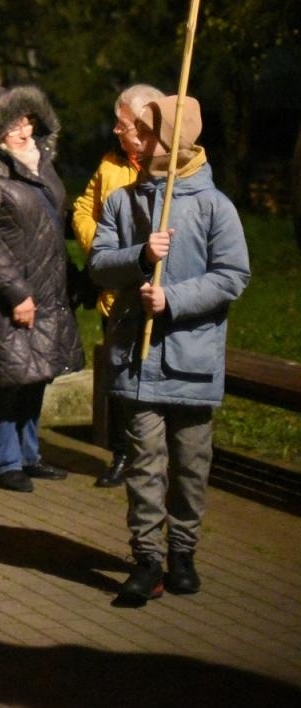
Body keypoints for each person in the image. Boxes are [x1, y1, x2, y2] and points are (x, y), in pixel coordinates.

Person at [90, 96, 249, 606]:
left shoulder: (213, 205)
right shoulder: (124, 201)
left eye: (144, 130)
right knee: (143, 461)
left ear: (173, 139)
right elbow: (98, 264)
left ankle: (183, 551)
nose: (133, 138)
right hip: (138, 361)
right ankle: (147, 558)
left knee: (189, 461)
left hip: (193, 359)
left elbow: (232, 276)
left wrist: (172, 298)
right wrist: (139, 256)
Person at [0, 86, 84, 491]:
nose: (23, 130)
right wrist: (16, 293)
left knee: (36, 375)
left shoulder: (41, 164)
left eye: (28, 121)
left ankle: (29, 454)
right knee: (7, 378)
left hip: (48, 289)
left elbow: (50, 230)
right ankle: (4, 461)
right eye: (12, 123)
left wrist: (72, 276)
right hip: (8, 295)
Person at [72, 83, 165, 486]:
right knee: (120, 378)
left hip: (157, 293)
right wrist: (104, 250)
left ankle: (158, 457)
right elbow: (82, 208)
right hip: (115, 295)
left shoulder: (169, 171)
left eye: (122, 123)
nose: (114, 130)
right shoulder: (110, 167)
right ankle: (123, 454)